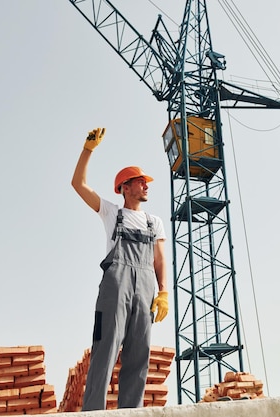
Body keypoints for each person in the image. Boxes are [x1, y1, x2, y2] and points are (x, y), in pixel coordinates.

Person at [71, 127, 169, 410]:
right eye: (140, 182)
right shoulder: (112, 213)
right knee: (107, 345)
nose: (146, 186)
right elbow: (79, 184)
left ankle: (131, 412)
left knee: (140, 352)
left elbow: (160, 260)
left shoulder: (155, 222)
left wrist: (163, 293)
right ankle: (93, 413)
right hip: (117, 283)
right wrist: (87, 150)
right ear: (125, 187)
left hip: (146, 285)